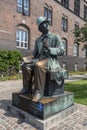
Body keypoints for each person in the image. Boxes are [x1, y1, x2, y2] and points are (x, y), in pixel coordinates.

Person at [21, 16, 68, 101]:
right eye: (43, 24)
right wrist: (27, 59)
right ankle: (26, 89)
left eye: (46, 23)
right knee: (25, 66)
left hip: (50, 60)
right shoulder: (38, 40)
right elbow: (34, 55)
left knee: (39, 66)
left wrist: (50, 49)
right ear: (40, 28)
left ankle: (38, 93)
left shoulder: (55, 37)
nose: (46, 25)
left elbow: (62, 51)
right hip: (39, 59)